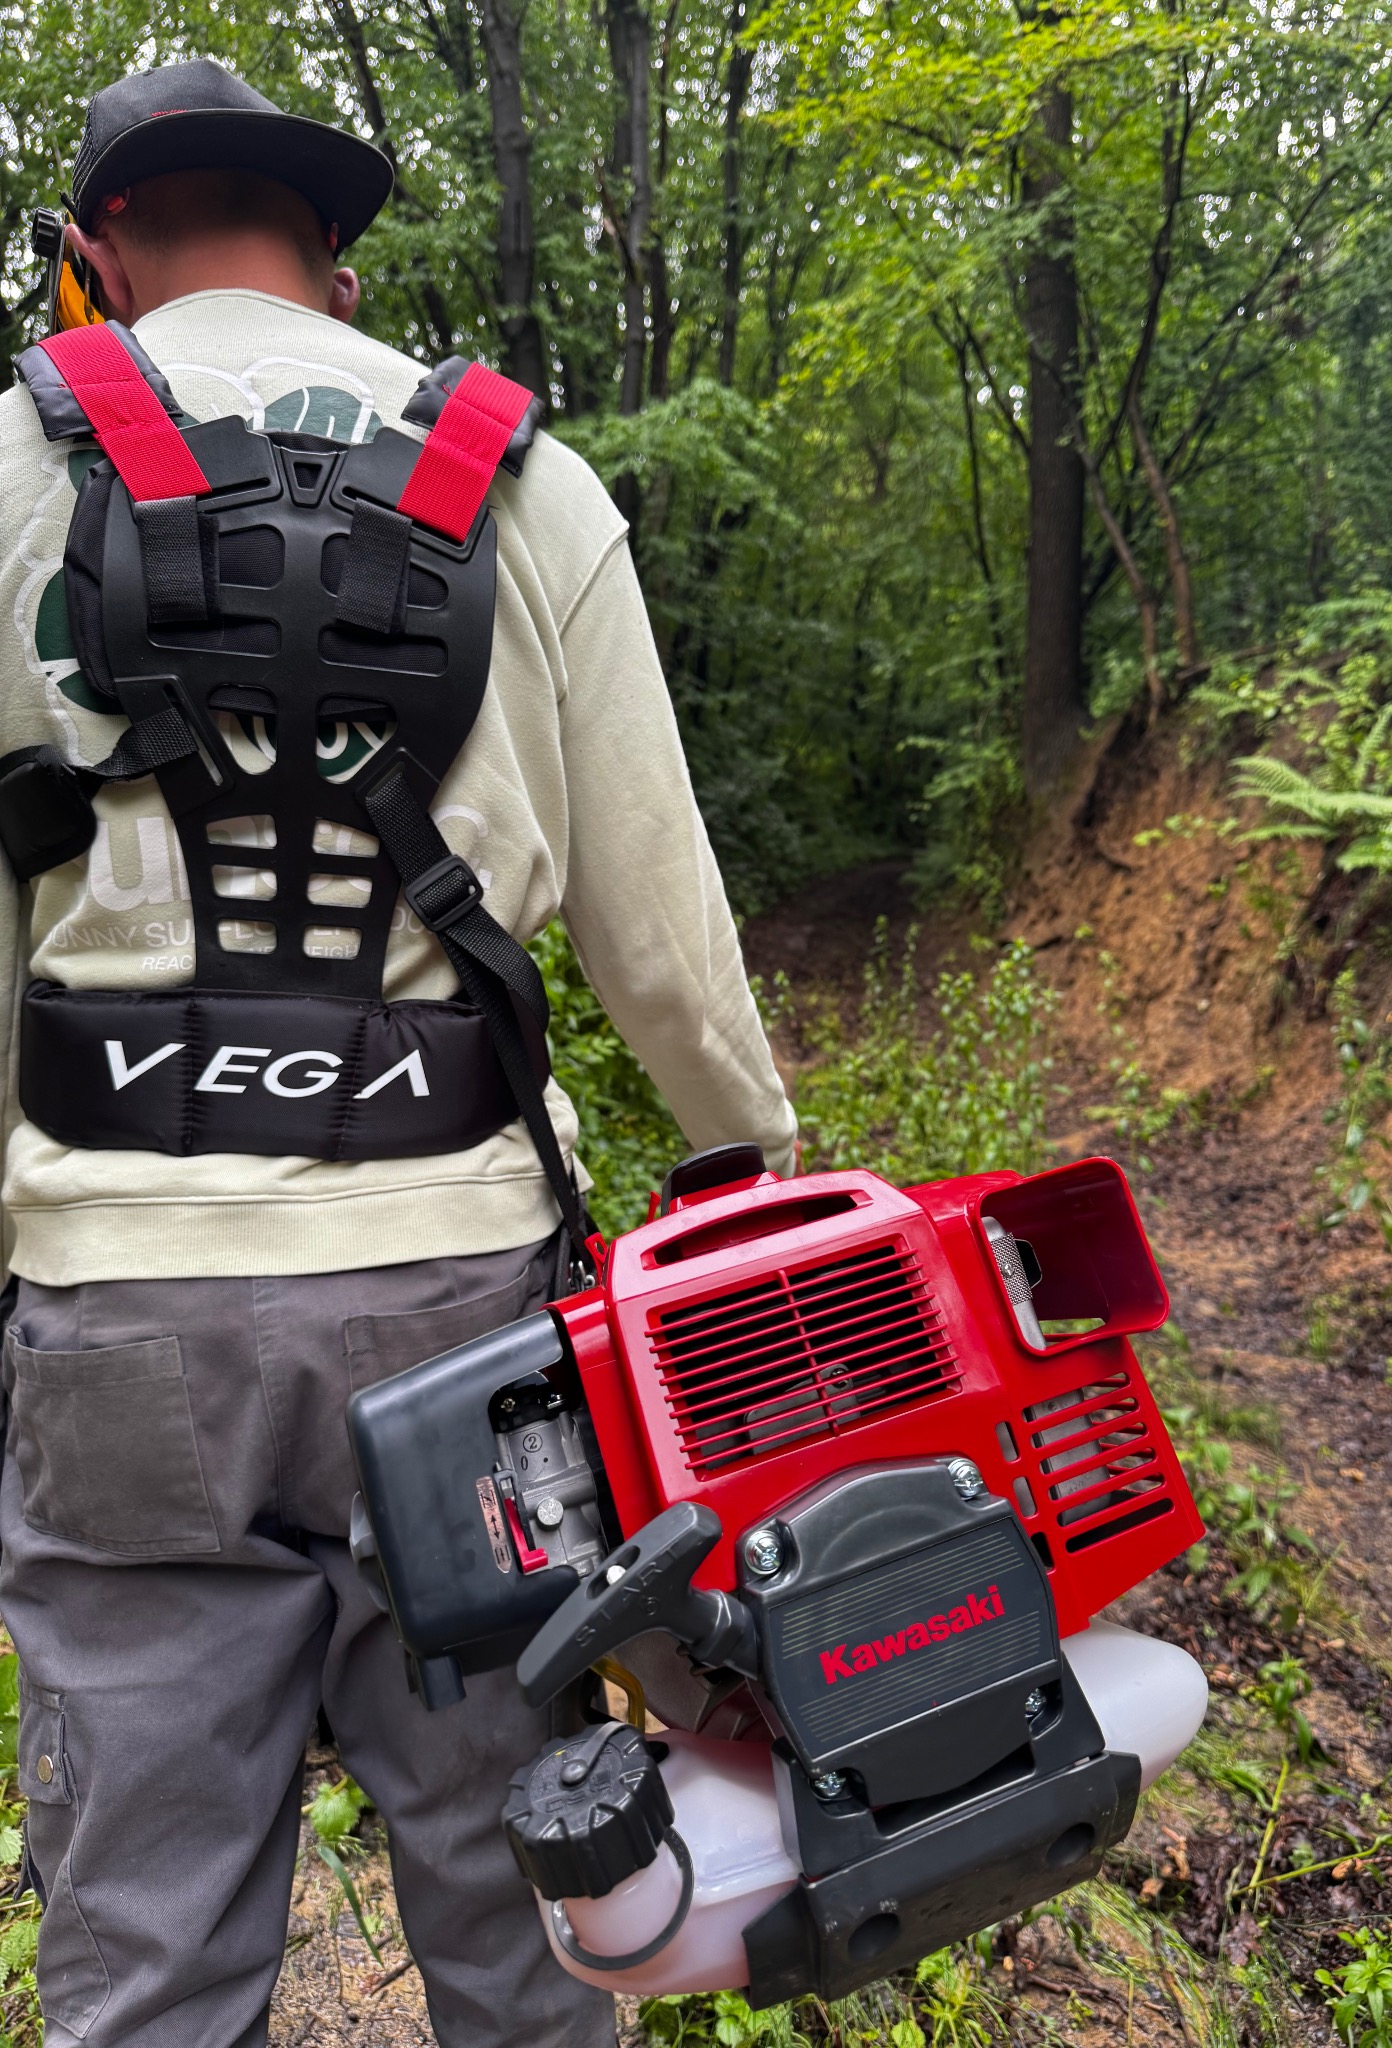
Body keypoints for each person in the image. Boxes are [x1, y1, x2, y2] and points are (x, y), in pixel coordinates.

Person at [0, 57, 797, 2048]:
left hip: (121, 1326)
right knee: (537, 1910)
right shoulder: (524, 478)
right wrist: (750, 1164)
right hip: (470, 1335)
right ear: (336, 266)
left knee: (148, 1956)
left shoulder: (11, 463)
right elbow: (667, 950)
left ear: (95, 258)